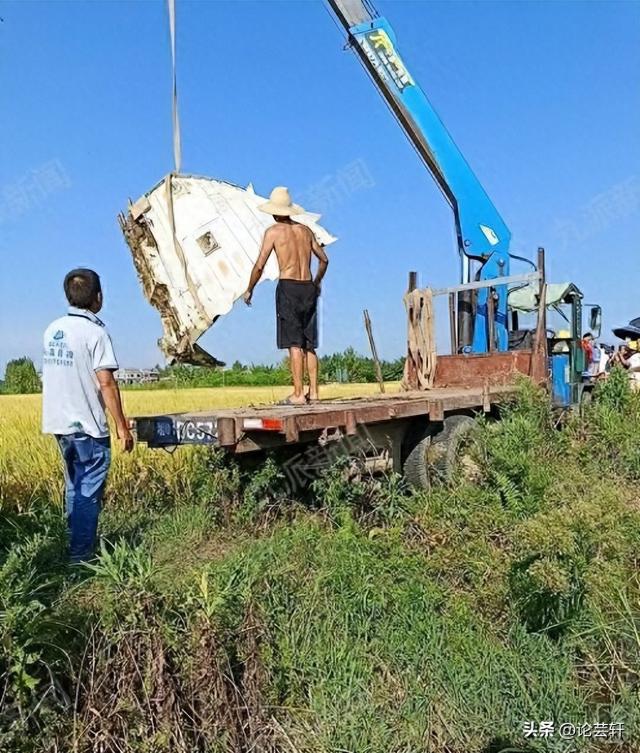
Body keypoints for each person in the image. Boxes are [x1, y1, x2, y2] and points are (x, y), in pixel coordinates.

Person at [42, 268, 134, 563]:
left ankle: (72, 543)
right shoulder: (96, 333)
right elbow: (106, 382)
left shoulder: (53, 330)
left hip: (59, 424)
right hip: (88, 427)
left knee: (74, 486)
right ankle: (80, 556)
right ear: (98, 297)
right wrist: (122, 427)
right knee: (88, 492)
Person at [243, 187, 329, 404]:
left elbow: (260, 264)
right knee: (309, 343)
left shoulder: (273, 232)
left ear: (274, 211)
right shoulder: (305, 231)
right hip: (308, 286)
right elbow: (324, 260)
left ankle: (299, 393)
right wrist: (316, 283)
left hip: (289, 286)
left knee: (294, 343)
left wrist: (250, 288)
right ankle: (315, 392)